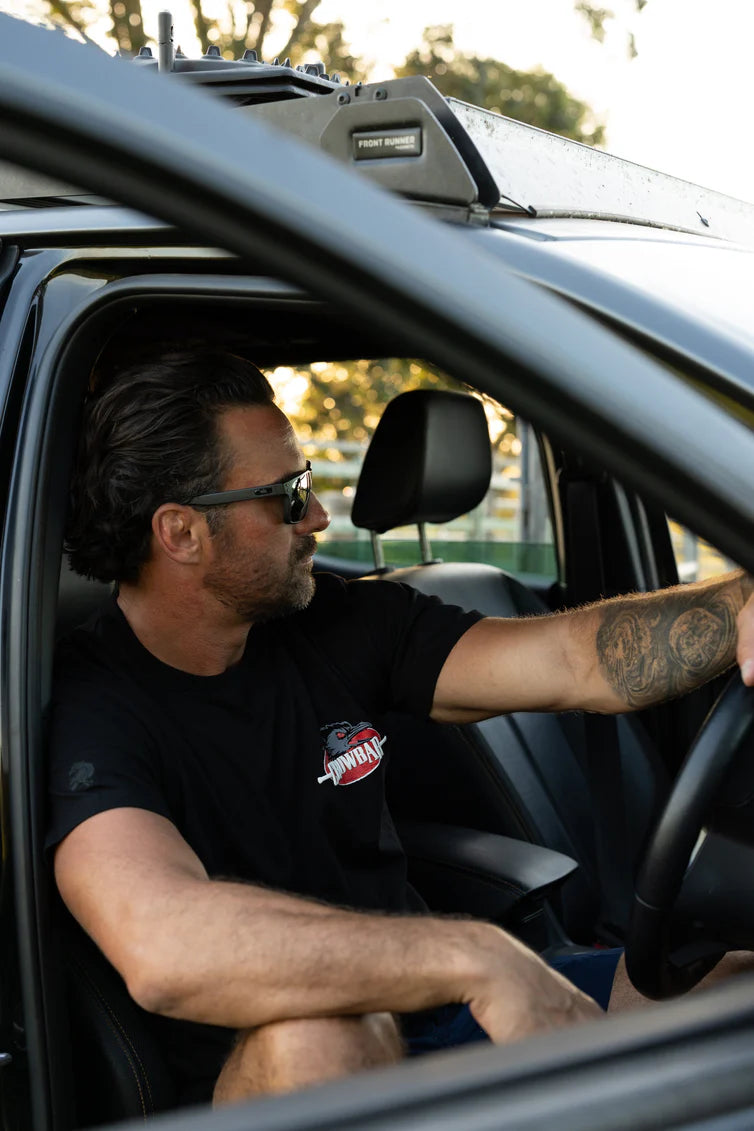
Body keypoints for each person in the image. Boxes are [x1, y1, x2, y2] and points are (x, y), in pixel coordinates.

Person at [48, 348, 754, 1107]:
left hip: (437, 1014)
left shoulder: (339, 621)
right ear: (181, 532)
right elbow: (164, 941)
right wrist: (474, 955)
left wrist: (741, 601)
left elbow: (575, 661)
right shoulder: (92, 705)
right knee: (323, 1034)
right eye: (288, 496)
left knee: (737, 983)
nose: (318, 517)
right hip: (275, 1073)